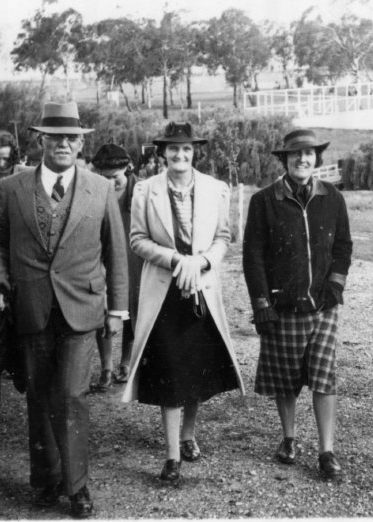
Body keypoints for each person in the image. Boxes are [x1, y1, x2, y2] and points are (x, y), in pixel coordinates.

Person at [0, 101, 128, 519]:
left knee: (71, 395)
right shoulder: (13, 187)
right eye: (54, 136)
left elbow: (116, 253)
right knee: (39, 394)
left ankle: (76, 487)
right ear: (40, 140)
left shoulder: (100, 189)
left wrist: (118, 310)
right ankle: (45, 480)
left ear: (81, 143)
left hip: (82, 308)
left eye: (71, 137)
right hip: (30, 306)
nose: (63, 144)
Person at [120, 122, 244, 483]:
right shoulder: (145, 190)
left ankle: (189, 436)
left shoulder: (215, 189)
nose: (180, 155)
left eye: (186, 149)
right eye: (173, 149)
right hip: (164, 291)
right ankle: (172, 456)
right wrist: (176, 260)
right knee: (171, 370)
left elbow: (223, 238)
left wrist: (200, 262)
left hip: (200, 291)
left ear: (194, 152)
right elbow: (138, 240)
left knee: (196, 368)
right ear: (162, 153)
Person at [243, 128, 353, 480]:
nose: (303, 160)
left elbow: (343, 246)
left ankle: (326, 450)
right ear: (284, 160)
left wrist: (334, 286)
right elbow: (253, 256)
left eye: (309, 154)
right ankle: (289, 438)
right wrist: (262, 302)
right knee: (286, 379)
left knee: (324, 377)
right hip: (283, 307)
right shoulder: (264, 201)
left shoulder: (332, 197)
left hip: (323, 307)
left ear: (316, 159)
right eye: (295, 155)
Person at [88, 144, 141, 391]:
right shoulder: (90, 190)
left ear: (128, 169)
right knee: (104, 308)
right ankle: (107, 366)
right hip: (101, 256)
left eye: (115, 178)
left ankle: (126, 363)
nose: (109, 184)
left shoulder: (141, 191)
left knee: (130, 308)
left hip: (133, 257)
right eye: (103, 178)